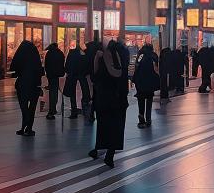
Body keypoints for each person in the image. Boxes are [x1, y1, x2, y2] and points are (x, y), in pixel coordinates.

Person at [89, 39, 127, 167]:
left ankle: (98, 149)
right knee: (116, 127)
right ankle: (110, 154)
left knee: (103, 125)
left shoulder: (101, 57)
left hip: (103, 97)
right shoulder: (121, 55)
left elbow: (94, 76)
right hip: (119, 97)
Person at [8, 39, 44, 136]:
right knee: (32, 107)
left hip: (22, 84)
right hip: (34, 84)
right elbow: (40, 70)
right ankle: (29, 128)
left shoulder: (21, 52)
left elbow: (13, 67)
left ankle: (24, 126)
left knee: (23, 107)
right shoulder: (35, 53)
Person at [132, 41, 159, 128]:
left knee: (141, 99)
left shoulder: (141, 55)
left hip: (140, 81)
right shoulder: (153, 55)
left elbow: (137, 65)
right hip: (150, 81)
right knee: (149, 99)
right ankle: (148, 119)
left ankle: (141, 118)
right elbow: (156, 68)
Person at [43, 41, 65, 119]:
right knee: (54, 92)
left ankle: (51, 110)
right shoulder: (60, 53)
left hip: (51, 76)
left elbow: (46, 65)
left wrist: (47, 74)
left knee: (53, 92)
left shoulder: (49, 54)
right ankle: (53, 109)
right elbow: (62, 64)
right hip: (57, 75)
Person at [64, 42, 85, 118]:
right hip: (81, 75)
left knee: (72, 93)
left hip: (72, 75)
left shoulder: (71, 54)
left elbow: (67, 65)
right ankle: (85, 110)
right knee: (84, 91)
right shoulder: (83, 55)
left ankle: (74, 111)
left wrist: (68, 72)